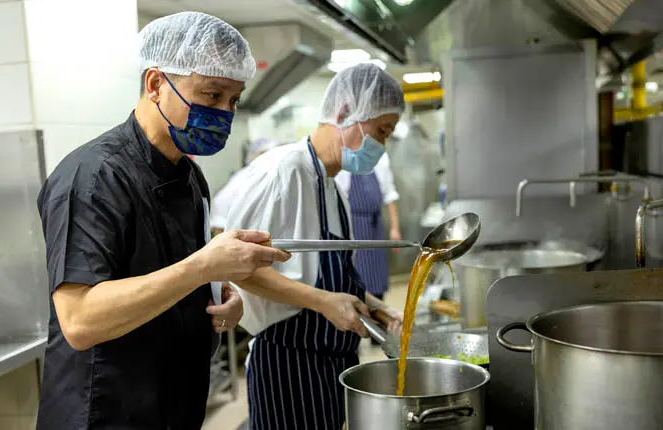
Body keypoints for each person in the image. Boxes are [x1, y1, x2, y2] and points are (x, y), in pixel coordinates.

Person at [34, 12, 291, 430]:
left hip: (174, 405)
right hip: (106, 414)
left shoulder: (189, 177)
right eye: (211, 95)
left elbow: (173, 277)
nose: (224, 113)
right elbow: (79, 320)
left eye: (234, 99)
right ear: (155, 84)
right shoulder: (95, 176)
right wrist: (204, 266)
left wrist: (220, 297)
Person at [227, 63, 406, 430]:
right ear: (344, 114)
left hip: (331, 362)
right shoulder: (284, 171)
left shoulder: (332, 184)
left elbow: (333, 278)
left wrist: (377, 309)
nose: (382, 146)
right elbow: (238, 268)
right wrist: (324, 303)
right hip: (286, 365)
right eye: (381, 132)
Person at [334, 152, 401, 305]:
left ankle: (379, 309)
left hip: (376, 225)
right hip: (354, 225)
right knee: (358, 274)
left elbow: (389, 195)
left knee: (377, 274)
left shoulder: (381, 158)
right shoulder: (345, 159)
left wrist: (394, 228)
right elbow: (338, 199)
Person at [210, 137, 280, 235]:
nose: (271, 157)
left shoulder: (277, 176)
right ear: (253, 155)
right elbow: (220, 216)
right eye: (265, 153)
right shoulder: (243, 178)